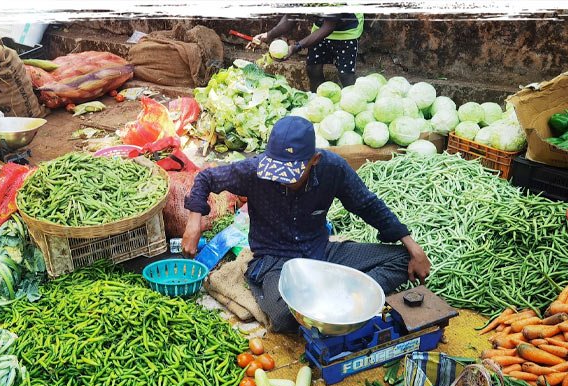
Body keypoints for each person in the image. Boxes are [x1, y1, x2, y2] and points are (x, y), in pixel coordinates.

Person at [181, 116, 431, 333]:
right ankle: (340, 299)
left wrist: (411, 244)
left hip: (321, 253)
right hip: (275, 261)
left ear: (314, 160)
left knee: (402, 260)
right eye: (276, 171)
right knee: (282, 316)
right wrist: (194, 223)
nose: (280, 180)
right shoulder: (255, 171)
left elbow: (367, 204)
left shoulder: (333, 169)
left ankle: (344, 298)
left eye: (290, 173)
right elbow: (205, 178)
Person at [250, 13, 364, 91]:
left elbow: (328, 27)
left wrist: (296, 47)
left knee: (345, 74)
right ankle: (318, 102)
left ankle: (351, 104)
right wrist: (268, 35)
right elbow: (291, 17)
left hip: (348, 30)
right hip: (320, 28)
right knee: (313, 68)